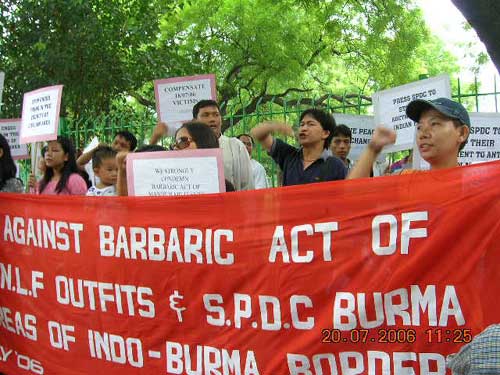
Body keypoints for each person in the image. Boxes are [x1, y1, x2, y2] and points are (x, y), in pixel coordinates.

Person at [348, 97, 470, 178]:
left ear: (462, 133)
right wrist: (373, 148)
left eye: (434, 124)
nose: (423, 134)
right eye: (419, 127)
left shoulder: (478, 188)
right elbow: (352, 196)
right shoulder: (406, 180)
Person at [151, 100, 253, 190]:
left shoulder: (236, 145)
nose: (212, 119)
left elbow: (247, 185)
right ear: (195, 121)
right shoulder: (185, 148)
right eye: (206, 115)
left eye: (216, 115)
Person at [250, 108, 347, 186]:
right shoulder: (289, 155)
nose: (304, 128)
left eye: (311, 124)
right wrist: (276, 126)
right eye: (302, 124)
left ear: (325, 133)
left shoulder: (336, 166)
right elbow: (257, 133)